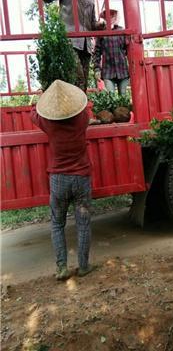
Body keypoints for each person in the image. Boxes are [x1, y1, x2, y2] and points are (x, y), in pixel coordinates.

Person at [31, 80, 95, 280]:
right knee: (83, 224)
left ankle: (62, 268)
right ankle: (83, 266)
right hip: (81, 177)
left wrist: (39, 99)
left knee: (57, 224)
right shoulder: (82, 119)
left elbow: (33, 115)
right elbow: (87, 110)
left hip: (58, 179)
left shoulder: (48, 123)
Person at [41, 0, 104, 92]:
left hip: (86, 46)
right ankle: (76, 110)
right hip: (70, 42)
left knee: (84, 82)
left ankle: (80, 109)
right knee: (78, 78)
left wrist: (100, 24)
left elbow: (92, 24)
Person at [93, 9, 130, 96]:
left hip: (122, 70)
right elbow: (97, 52)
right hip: (108, 71)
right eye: (108, 16)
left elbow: (128, 50)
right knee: (111, 96)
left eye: (113, 15)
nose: (111, 18)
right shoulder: (101, 33)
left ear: (116, 17)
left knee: (123, 97)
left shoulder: (122, 31)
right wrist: (97, 69)